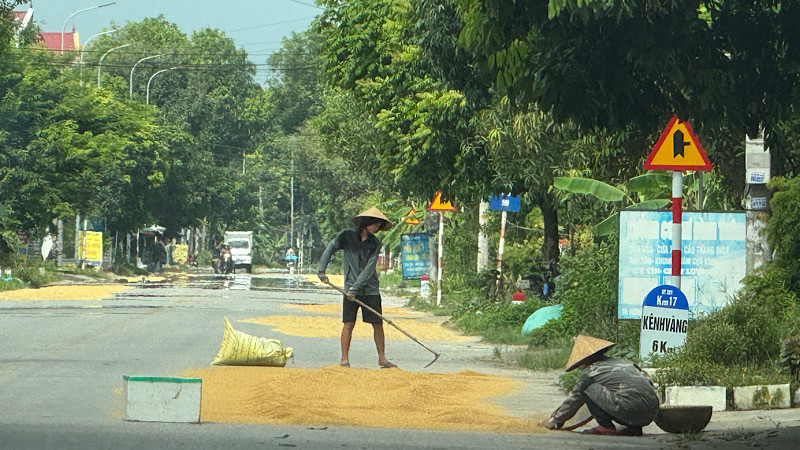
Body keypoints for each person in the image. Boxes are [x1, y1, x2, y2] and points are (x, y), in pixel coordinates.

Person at [317, 206, 396, 369]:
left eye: (379, 227)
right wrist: (321, 270)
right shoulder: (346, 236)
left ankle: (382, 358)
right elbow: (330, 249)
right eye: (375, 225)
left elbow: (369, 269)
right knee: (348, 323)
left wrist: (355, 289)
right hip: (349, 289)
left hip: (370, 289)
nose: (377, 229)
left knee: (377, 323)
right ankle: (344, 359)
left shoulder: (375, 244)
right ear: (367, 223)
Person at [539, 335, 660, 436]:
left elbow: (574, 400)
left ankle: (605, 426)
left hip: (629, 409)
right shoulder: (625, 362)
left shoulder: (590, 372)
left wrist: (554, 420)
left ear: (585, 360)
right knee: (627, 395)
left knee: (588, 388)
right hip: (651, 412)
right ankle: (635, 428)